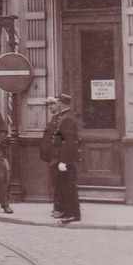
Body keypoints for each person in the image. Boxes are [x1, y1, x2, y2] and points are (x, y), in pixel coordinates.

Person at [45, 94, 81, 223]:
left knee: (70, 187)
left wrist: (63, 161)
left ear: (61, 104)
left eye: (58, 102)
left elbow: (68, 143)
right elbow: (61, 138)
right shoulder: (64, 118)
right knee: (64, 186)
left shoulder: (67, 119)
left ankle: (74, 214)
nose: (56, 104)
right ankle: (67, 211)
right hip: (61, 157)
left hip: (67, 160)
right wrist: (56, 143)